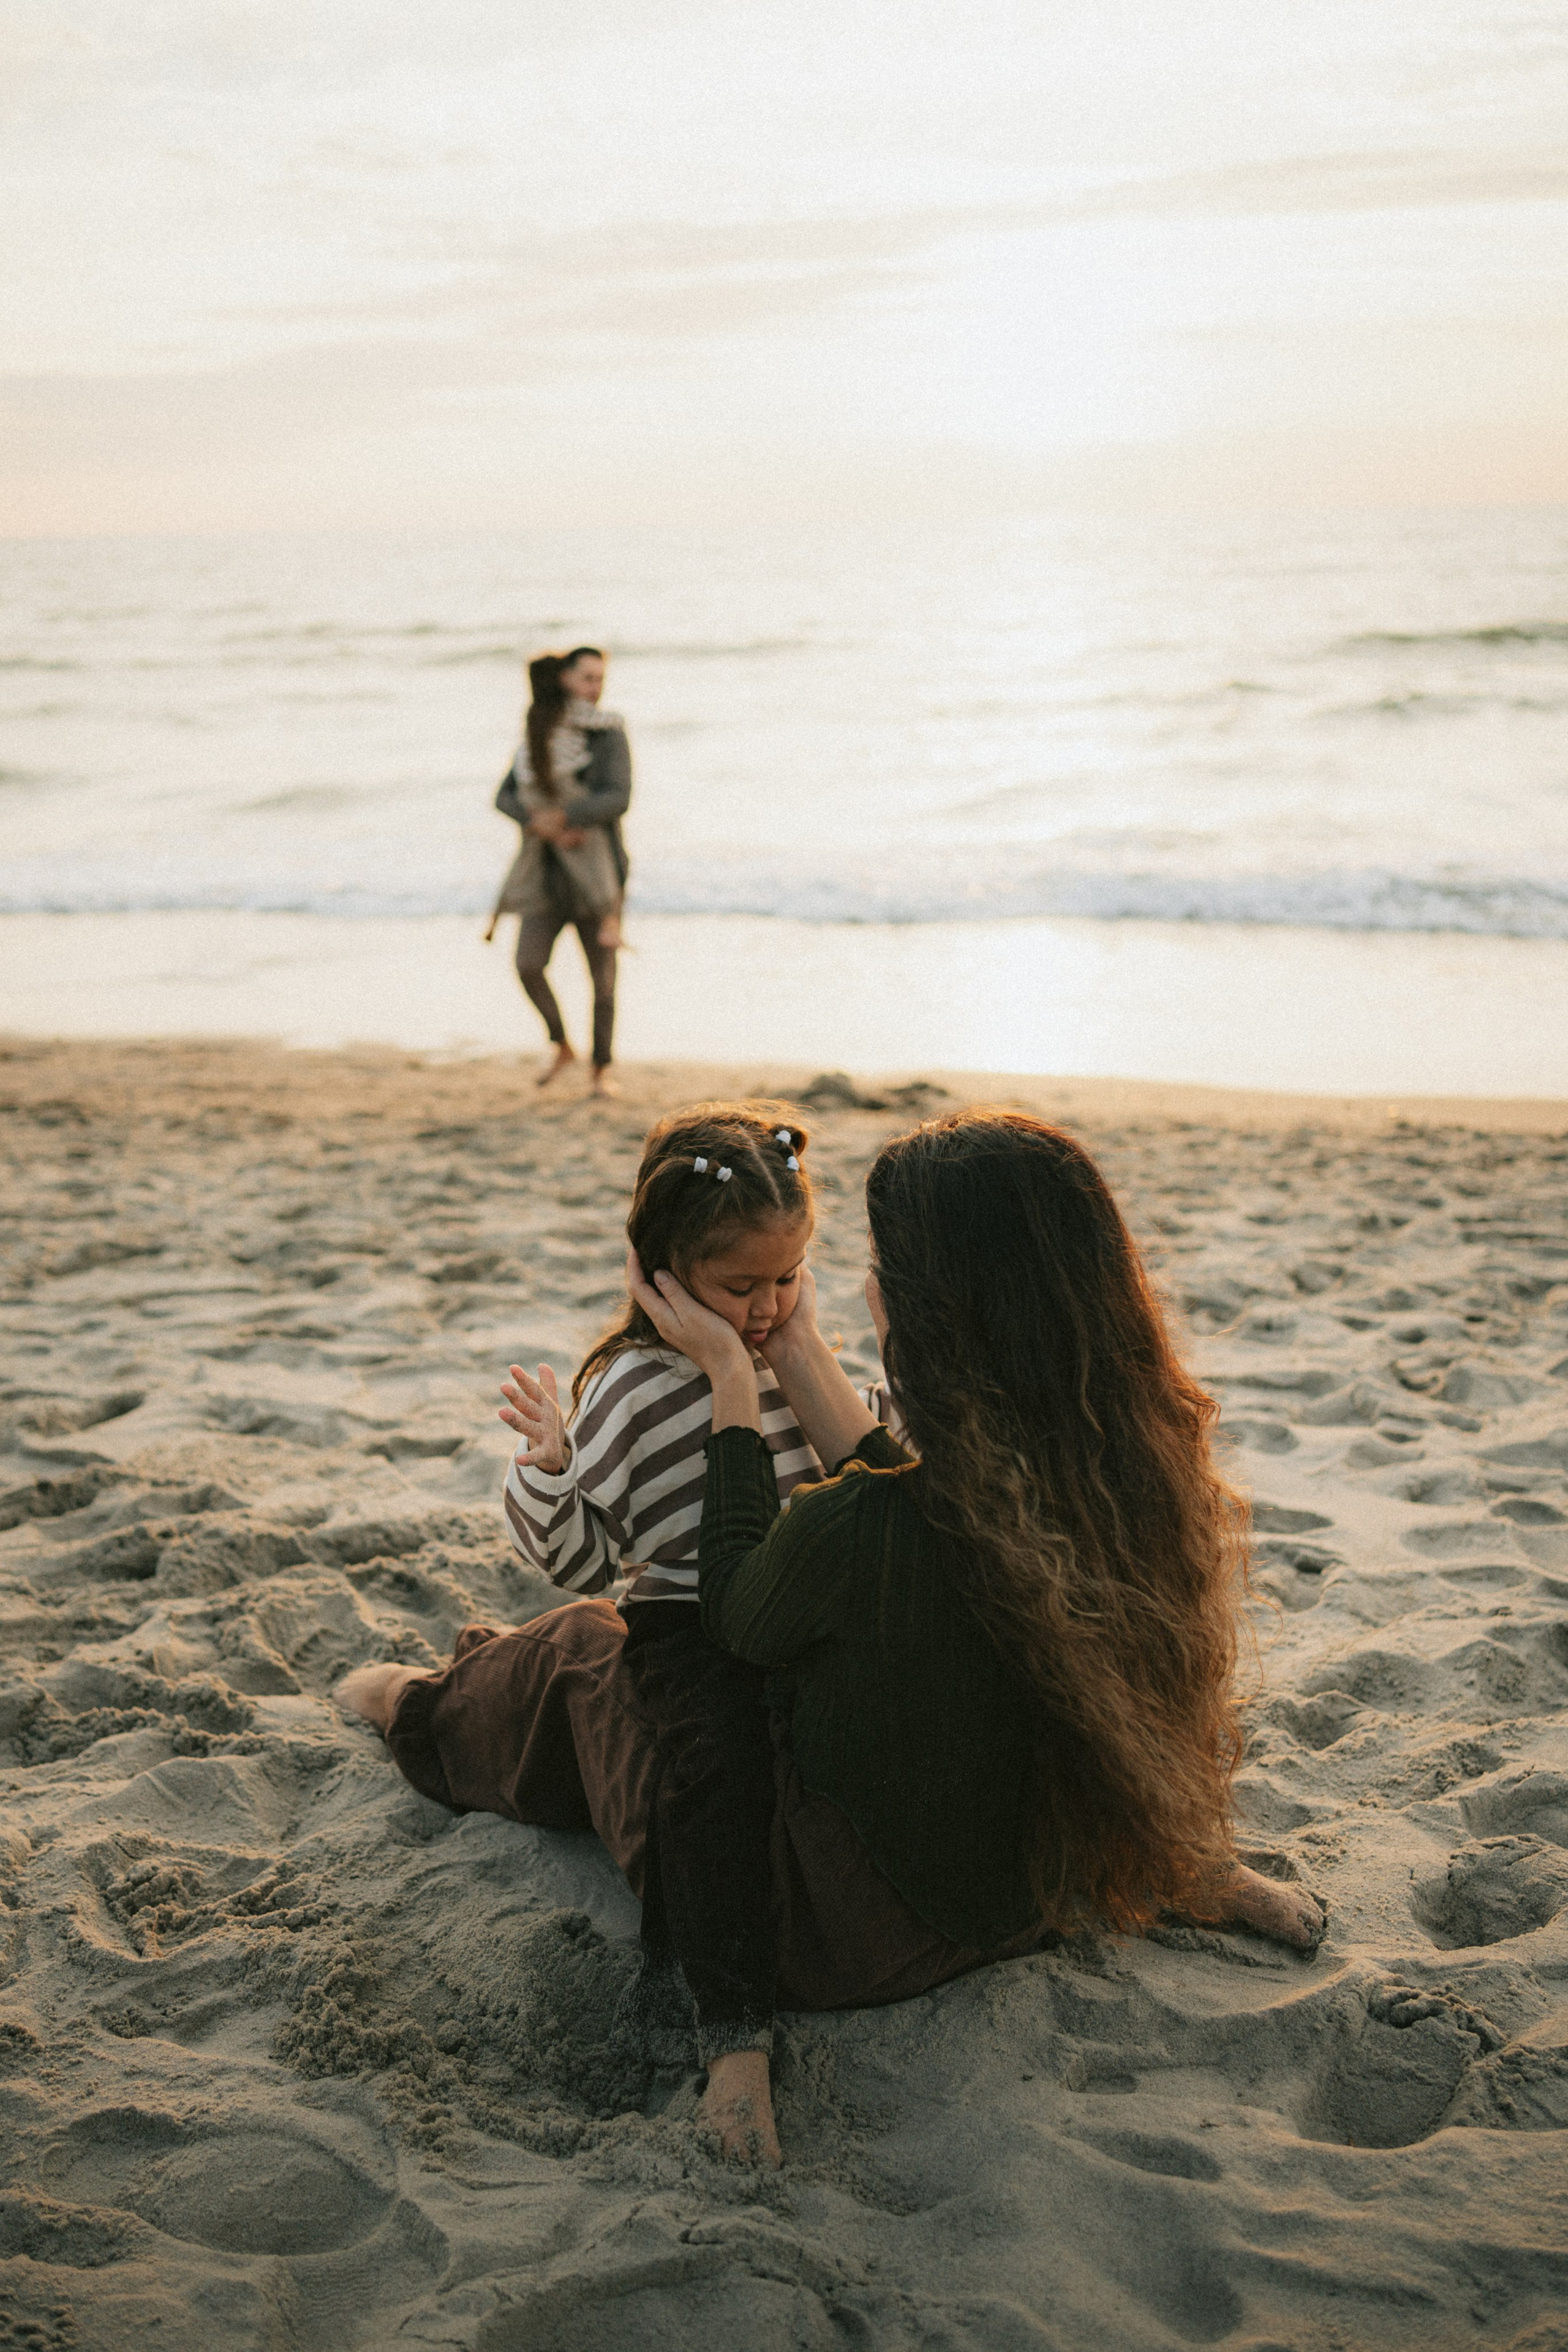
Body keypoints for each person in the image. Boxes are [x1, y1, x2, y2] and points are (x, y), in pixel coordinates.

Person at [340, 1110, 1326, 2168]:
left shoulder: (871, 1516)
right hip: (1050, 1881)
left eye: (849, 1268)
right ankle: (1184, 1864)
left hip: (852, 1912)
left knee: (584, 1656)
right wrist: (594, 1442)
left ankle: (421, 1711)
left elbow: (742, 1607)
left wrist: (733, 1379)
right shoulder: (1098, 1478)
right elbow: (886, 1477)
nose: (833, 1291)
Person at [484, 644, 631, 1098]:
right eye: (587, 678)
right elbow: (505, 795)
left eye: (600, 679)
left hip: (598, 872)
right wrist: (539, 824)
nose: (595, 688)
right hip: (544, 872)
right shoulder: (538, 734)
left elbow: (619, 797)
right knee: (528, 964)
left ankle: (600, 1072)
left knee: (602, 982)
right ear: (565, 678)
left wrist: (567, 818)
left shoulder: (606, 735)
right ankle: (563, 1045)